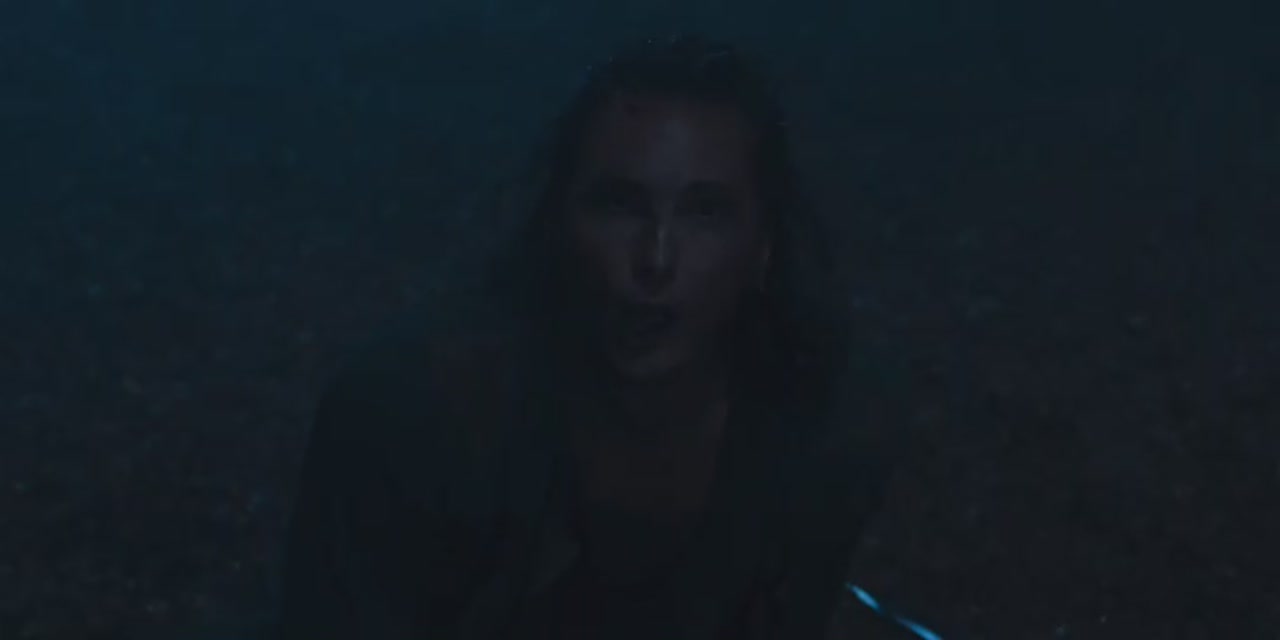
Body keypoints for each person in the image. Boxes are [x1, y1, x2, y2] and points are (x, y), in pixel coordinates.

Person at [278, 34, 913, 639]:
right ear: (558, 222)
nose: (656, 258)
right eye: (619, 205)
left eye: (704, 213)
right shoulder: (410, 415)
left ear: (762, 246)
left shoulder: (823, 421)